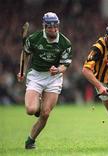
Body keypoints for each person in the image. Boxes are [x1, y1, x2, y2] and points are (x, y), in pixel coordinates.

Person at [17, 12, 72, 149]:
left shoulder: (65, 43)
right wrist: (22, 71)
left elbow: (65, 65)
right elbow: (25, 54)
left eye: (55, 26)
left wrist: (58, 70)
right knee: (30, 110)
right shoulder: (34, 38)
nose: (53, 29)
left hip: (54, 78)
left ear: (58, 25)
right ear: (44, 26)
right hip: (36, 75)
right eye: (49, 26)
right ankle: (38, 103)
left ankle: (31, 140)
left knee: (45, 113)